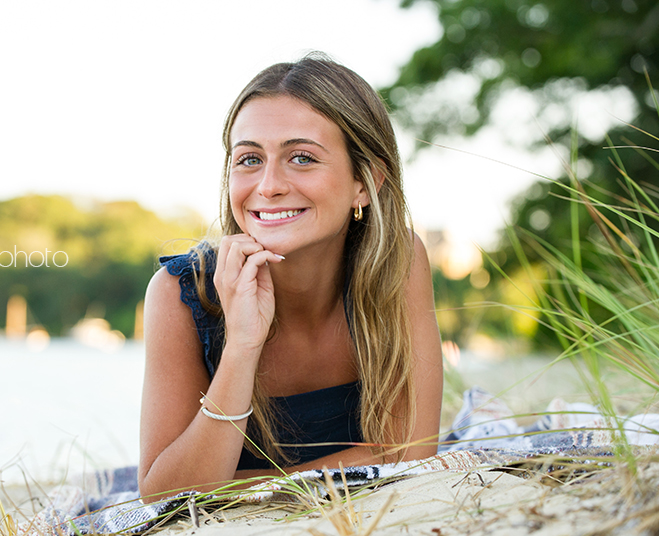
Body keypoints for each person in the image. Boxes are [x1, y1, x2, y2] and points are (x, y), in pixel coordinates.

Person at [138, 53, 443, 502]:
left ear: (365, 182)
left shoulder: (396, 263)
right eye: (249, 159)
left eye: (301, 158)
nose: (268, 186)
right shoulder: (180, 295)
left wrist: (234, 486)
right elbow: (164, 496)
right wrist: (242, 346)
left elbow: (410, 454)